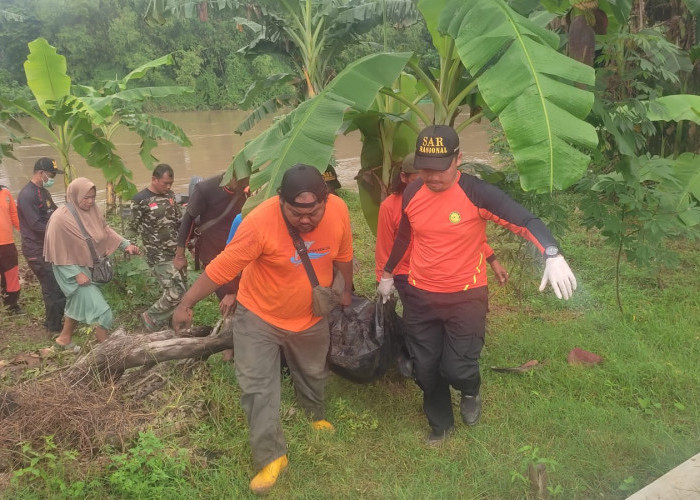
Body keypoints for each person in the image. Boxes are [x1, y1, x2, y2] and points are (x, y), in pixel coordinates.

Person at [378, 125, 577, 445]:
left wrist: (551, 253)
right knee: (426, 369)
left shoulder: (477, 193)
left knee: (457, 367)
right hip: (420, 295)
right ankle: (441, 425)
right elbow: (405, 235)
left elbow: (526, 221)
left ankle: (470, 391)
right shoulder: (413, 193)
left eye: (440, 168)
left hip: (465, 297)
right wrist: (388, 274)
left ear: (458, 158)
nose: (432, 177)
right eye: (425, 168)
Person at [172, 164, 354, 495]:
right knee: (258, 389)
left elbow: (343, 255)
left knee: (313, 371)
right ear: (280, 200)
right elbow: (222, 267)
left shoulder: (339, 211)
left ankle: (314, 415)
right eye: (296, 212)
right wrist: (186, 304)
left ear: (326, 201)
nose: (305, 220)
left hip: (310, 317)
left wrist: (346, 291)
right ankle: (271, 457)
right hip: (260, 318)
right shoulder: (258, 222)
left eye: (313, 212)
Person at [43, 178, 140, 351]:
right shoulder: (60, 219)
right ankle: (109, 356)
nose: (90, 201)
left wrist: (126, 244)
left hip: (87, 266)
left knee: (75, 304)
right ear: (74, 195)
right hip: (69, 270)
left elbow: (105, 230)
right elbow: (56, 252)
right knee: (103, 313)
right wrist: (75, 274)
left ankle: (63, 340)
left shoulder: (93, 211)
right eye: (85, 197)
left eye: (93, 197)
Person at [174, 172, 249, 361]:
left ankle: (233, 343)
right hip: (212, 251)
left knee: (241, 299)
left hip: (239, 251)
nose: (241, 186)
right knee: (228, 299)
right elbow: (188, 220)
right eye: (238, 182)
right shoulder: (205, 189)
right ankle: (228, 349)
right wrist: (180, 254)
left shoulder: (247, 188)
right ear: (230, 175)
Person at [128, 164, 186, 330]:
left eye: (170, 184)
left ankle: (174, 326)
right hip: (158, 254)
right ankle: (150, 317)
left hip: (176, 252)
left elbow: (177, 221)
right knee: (177, 292)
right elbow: (132, 226)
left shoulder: (170, 196)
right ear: (154, 179)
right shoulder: (140, 200)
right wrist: (130, 244)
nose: (168, 187)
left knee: (181, 292)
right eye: (164, 183)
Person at [16, 158, 67, 335]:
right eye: (51, 174)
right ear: (40, 173)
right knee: (52, 287)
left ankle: (54, 321)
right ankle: (54, 327)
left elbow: (54, 210)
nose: (52, 177)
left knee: (56, 285)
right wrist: (59, 231)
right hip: (35, 250)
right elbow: (36, 224)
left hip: (48, 247)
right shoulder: (27, 195)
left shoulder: (43, 192)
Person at [0, 184, 21, 313]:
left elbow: (14, 214)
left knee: (11, 275)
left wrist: (24, 232)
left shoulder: (6, 193)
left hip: (7, 244)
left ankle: (12, 305)